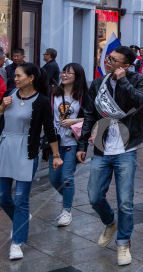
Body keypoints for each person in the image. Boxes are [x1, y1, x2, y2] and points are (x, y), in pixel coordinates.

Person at [76, 46, 143, 266]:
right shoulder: (99, 84)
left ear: (125, 65)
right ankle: (110, 221)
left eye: (113, 59)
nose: (107, 61)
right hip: (102, 146)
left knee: (125, 201)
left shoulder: (138, 80)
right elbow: (89, 114)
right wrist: (82, 144)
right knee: (93, 196)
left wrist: (124, 80)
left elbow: (140, 101)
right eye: (107, 58)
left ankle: (123, 242)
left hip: (126, 149)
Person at [0, 63, 61, 260]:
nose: (15, 79)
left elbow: (49, 129)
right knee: (2, 196)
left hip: (27, 150)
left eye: (18, 76)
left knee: (22, 199)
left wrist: (56, 156)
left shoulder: (41, 101)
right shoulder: (9, 94)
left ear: (31, 78)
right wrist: (1, 106)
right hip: (5, 146)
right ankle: (20, 219)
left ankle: (17, 242)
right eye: (14, 76)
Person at [49, 63, 87, 227]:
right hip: (55, 143)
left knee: (66, 177)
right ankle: (68, 198)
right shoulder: (54, 94)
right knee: (54, 178)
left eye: (68, 73)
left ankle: (66, 211)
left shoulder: (83, 96)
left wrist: (75, 120)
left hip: (72, 141)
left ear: (77, 77)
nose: (64, 75)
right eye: (63, 72)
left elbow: (92, 118)